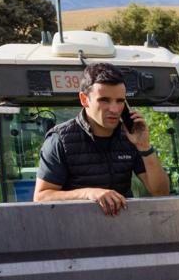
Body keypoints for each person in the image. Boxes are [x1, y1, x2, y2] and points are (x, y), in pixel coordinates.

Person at [34, 62, 169, 215]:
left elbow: (161, 192)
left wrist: (144, 146)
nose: (114, 109)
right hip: (76, 232)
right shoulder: (59, 140)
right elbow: (41, 197)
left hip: (126, 231)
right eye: (104, 100)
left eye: (120, 101)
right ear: (84, 99)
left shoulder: (130, 138)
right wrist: (88, 194)